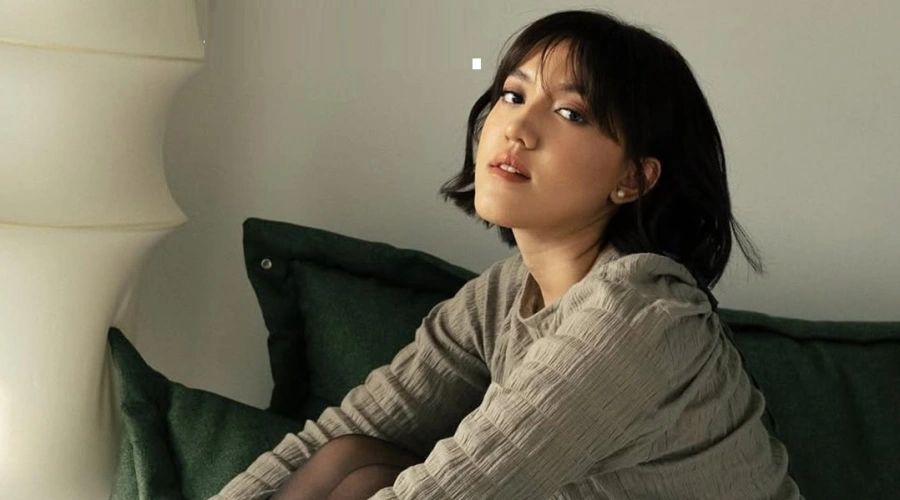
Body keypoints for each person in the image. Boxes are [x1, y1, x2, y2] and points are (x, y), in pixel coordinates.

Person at [212, 9, 805, 500]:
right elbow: (349, 430)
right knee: (351, 462)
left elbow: (458, 485)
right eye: (513, 95)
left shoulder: (639, 319)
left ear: (632, 179)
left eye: (571, 113)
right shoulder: (499, 297)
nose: (518, 128)